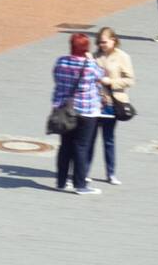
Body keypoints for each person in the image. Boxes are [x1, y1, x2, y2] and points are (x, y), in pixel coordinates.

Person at [49, 32, 104, 194]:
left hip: (65, 109)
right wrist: (91, 59)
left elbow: (56, 78)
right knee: (81, 147)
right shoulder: (90, 65)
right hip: (87, 110)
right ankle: (80, 185)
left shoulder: (61, 61)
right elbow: (101, 75)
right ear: (86, 48)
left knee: (65, 146)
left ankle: (61, 181)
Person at [92, 27, 133, 186]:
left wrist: (112, 82)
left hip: (112, 102)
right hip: (95, 102)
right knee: (90, 138)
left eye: (104, 42)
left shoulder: (122, 57)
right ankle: (85, 172)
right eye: (99, 42)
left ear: (113, 40)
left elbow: (130, 80)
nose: (101, 45)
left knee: (108, 139)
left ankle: (111, 173)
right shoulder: (94, 56)